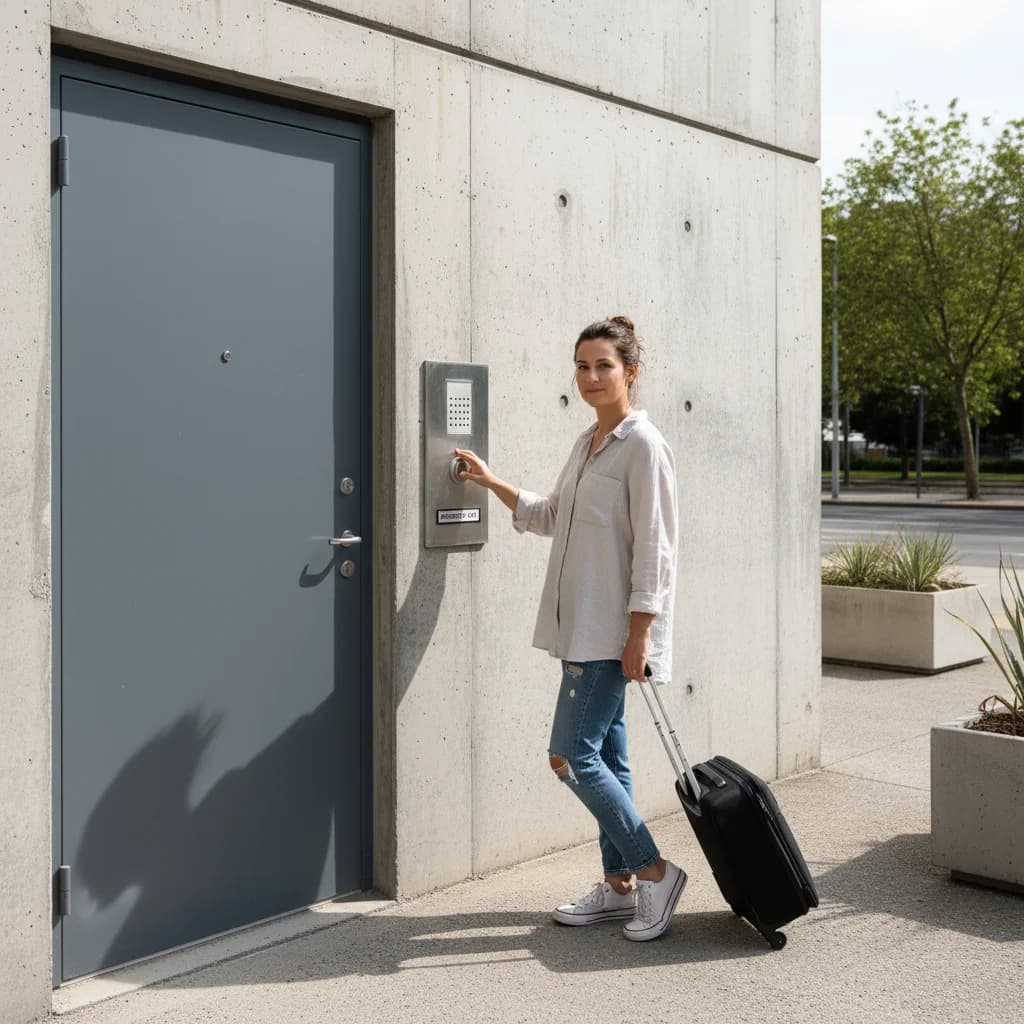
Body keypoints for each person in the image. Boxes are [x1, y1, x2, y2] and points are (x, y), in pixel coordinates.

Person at [455, 315, 683, 942]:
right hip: (577, 628)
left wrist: (640, 635)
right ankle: (618, 890)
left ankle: (656, 873)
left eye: (603, 366)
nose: (590, 377)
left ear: (630, 371)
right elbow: (551, 515)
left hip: (611, 635)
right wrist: (487, 478)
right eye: (582, 367)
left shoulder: (644, 446)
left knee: (572, 757)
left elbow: (655, 554)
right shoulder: (586, 444)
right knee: (609, 754)